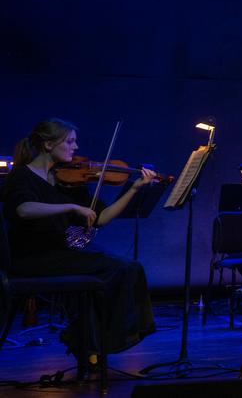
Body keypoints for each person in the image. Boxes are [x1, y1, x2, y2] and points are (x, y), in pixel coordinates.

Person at [1, 118, 157, 374]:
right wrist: (71, 207)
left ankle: (92, 343)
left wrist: (134, 189)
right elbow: (24, 209)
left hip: (61, 254)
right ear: (48, 144)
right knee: (114, 268)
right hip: (32, 258)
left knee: (129, 267)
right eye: (70, 141)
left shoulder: (67, 180)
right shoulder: (21, 176)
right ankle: (86, 341)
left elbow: (101, 218)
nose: (76, 147)